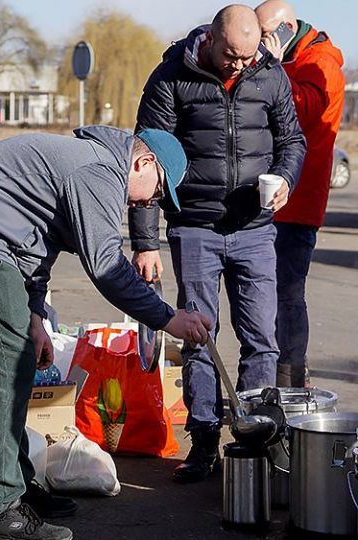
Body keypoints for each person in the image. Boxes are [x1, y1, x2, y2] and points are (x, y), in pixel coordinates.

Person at [0, 125, 212, 540]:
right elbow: (106, 264)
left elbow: (37, 244)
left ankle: (16, 487)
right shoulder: (98, 170)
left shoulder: (88, 164)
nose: (147, 202)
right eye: (156, 191)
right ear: (143, 163)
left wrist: (34, 314)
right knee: (0, 372)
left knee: (16, 365)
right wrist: (167, 318)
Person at [132, 4, 306, 483]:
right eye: (231, 55)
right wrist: (145, 242)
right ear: (209, 38)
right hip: (194, 226)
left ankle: (255, 441)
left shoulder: (268, 75)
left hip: (254, 229)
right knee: (198, 336)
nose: (240, 65)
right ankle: (204, 441)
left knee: (261, 341)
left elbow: (293, 140)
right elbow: (143, 159)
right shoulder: (170, 77)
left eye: (248, 57)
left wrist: (287, 178)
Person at [255, 0, 346, 387]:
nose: (257, 44)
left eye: (263, 35)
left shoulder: (321, 63)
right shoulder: (294, 59)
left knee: (288, 294)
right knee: (265, 292)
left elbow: (301, 110)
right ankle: (272, 376)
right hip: (274, 198)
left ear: (285, 30)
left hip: (298, 201)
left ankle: (291, 380)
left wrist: (271, 70)